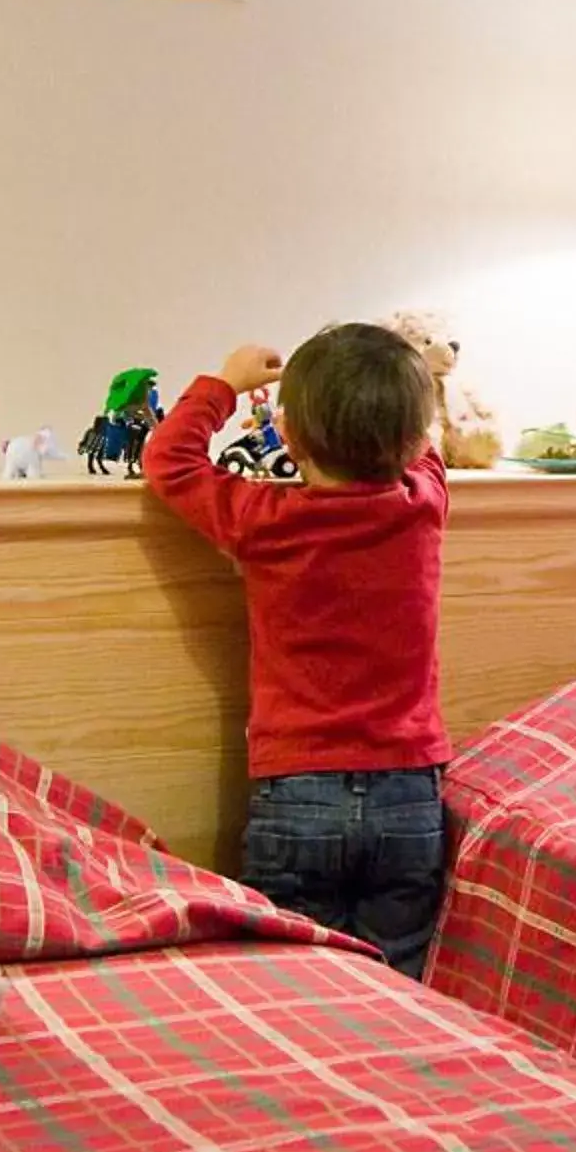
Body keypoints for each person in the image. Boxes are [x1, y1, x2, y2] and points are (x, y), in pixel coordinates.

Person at [145, 324, 450, 976]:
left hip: (297, 789)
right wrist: (415, 369)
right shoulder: (422, 507)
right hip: (408, 792)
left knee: (298, 972)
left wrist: (223, 385)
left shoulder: (265, 519)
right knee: (398, 975)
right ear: (413, 438)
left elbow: (169, 462)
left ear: (287, 434)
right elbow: (426, 447)